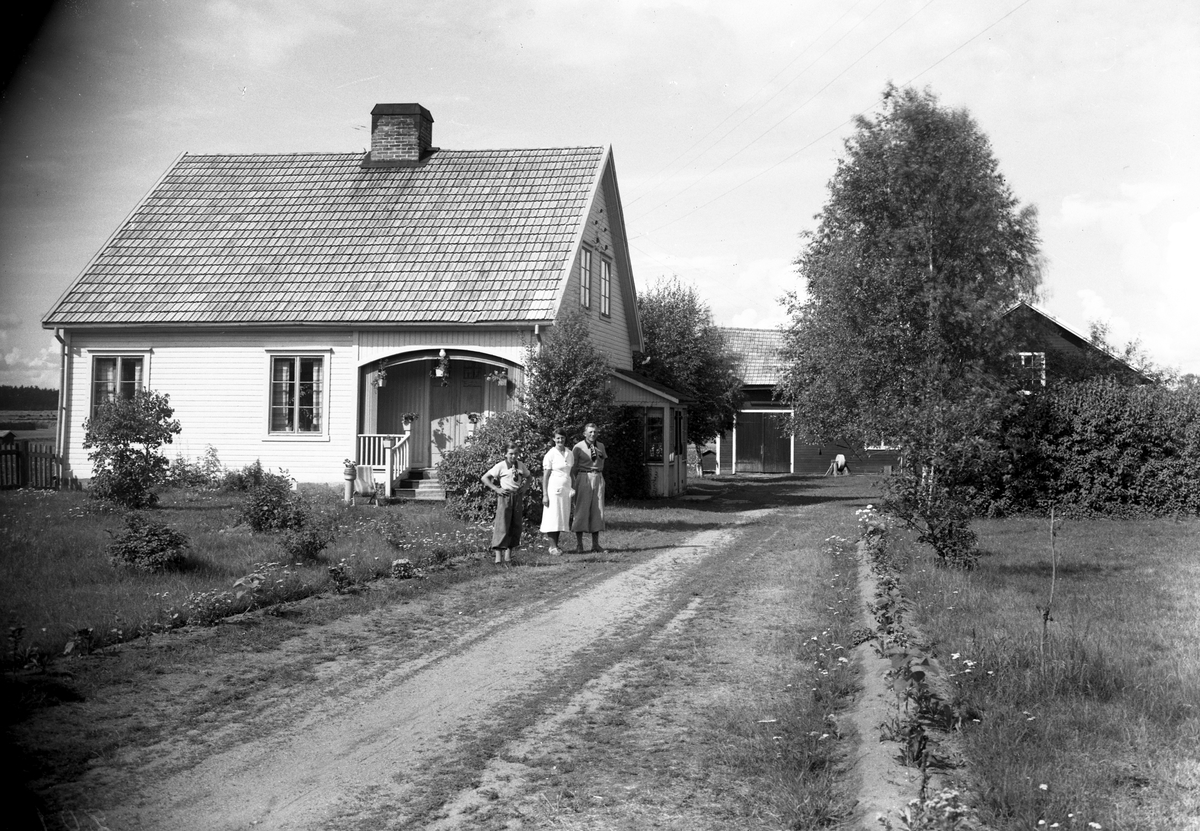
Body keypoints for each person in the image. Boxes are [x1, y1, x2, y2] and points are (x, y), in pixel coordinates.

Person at [481, 442, 530, 564]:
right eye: (511, 454)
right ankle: (498, 558)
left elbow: (529, 477)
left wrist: (524, 488)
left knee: (515, 525)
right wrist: (496, 489)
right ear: (505, 454)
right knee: (502, 524)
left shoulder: (520, 465)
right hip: (505, 497)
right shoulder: (501, 466)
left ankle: (508, 557)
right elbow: (484, 478)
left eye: (516, 454)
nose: (513, 456)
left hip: (517, 496)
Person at [570, 422, 606, 552]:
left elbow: (602, 461)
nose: (593, 434)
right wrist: (573, 484)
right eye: (590, 432)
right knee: (581, 510)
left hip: (598, 477)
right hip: (583, 477)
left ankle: (595, 545)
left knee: (598, 510)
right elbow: (573, 467)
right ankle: (579, 545)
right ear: (584, 433)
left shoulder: (601, 446)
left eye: (595, 432)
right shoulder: (578, 447)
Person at [540, 428, 574, 555]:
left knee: (560, 517)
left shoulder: (569, 453)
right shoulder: (550, 454)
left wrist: (572, 487)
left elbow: (571, 472)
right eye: (558, 438)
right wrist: (545, 494)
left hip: (565, 490)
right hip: (553, 490)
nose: (560, 440)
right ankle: (552, 547)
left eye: (562, 438)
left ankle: (556, 545)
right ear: (554, 439)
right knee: (553, 517)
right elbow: (546, 476)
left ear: (565, 438)